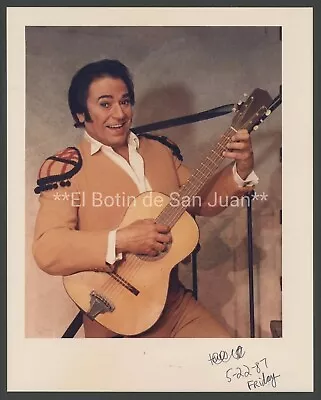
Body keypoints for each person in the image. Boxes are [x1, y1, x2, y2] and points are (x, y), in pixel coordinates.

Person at [32, 59, 258, 338]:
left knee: (229, 370)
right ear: (80, 115)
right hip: (113, 315)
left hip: (174, 305)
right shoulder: (68, 168)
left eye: (125, 102)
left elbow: (201, 201)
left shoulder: (161, 151)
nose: (119, 113)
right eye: (105, 104)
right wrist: (122, 239)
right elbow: (48, 248)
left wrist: (241, 169)